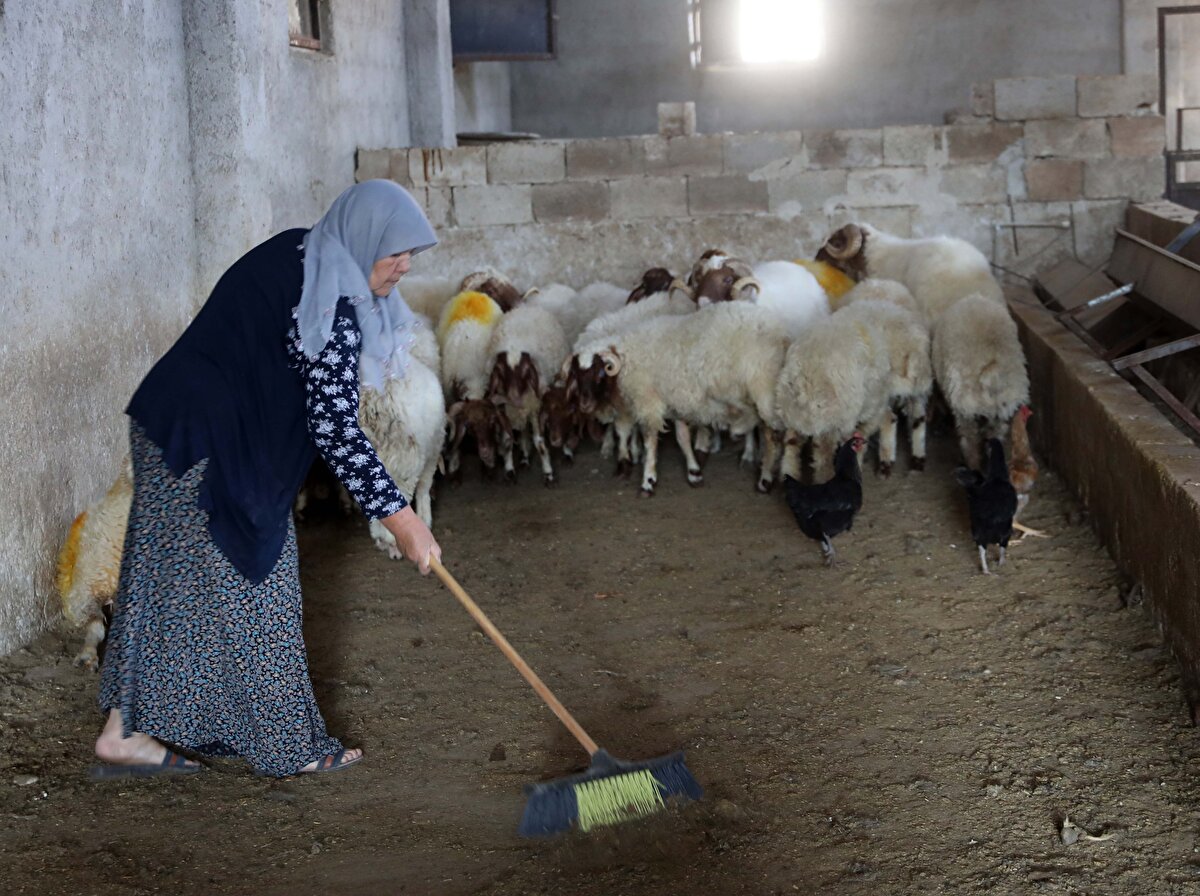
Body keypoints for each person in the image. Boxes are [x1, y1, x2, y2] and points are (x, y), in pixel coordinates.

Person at [92, 180, 442, 778]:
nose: (404, 265)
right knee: (262, 585)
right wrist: (402, 518)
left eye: (412, 253)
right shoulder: (330, 306)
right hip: (210, 446)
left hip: (166, 421)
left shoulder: (305, 251)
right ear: (363, 240)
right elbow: (333, 425)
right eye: (394, 251)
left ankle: (123, 733)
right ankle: (287, 747)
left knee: (169, 580)